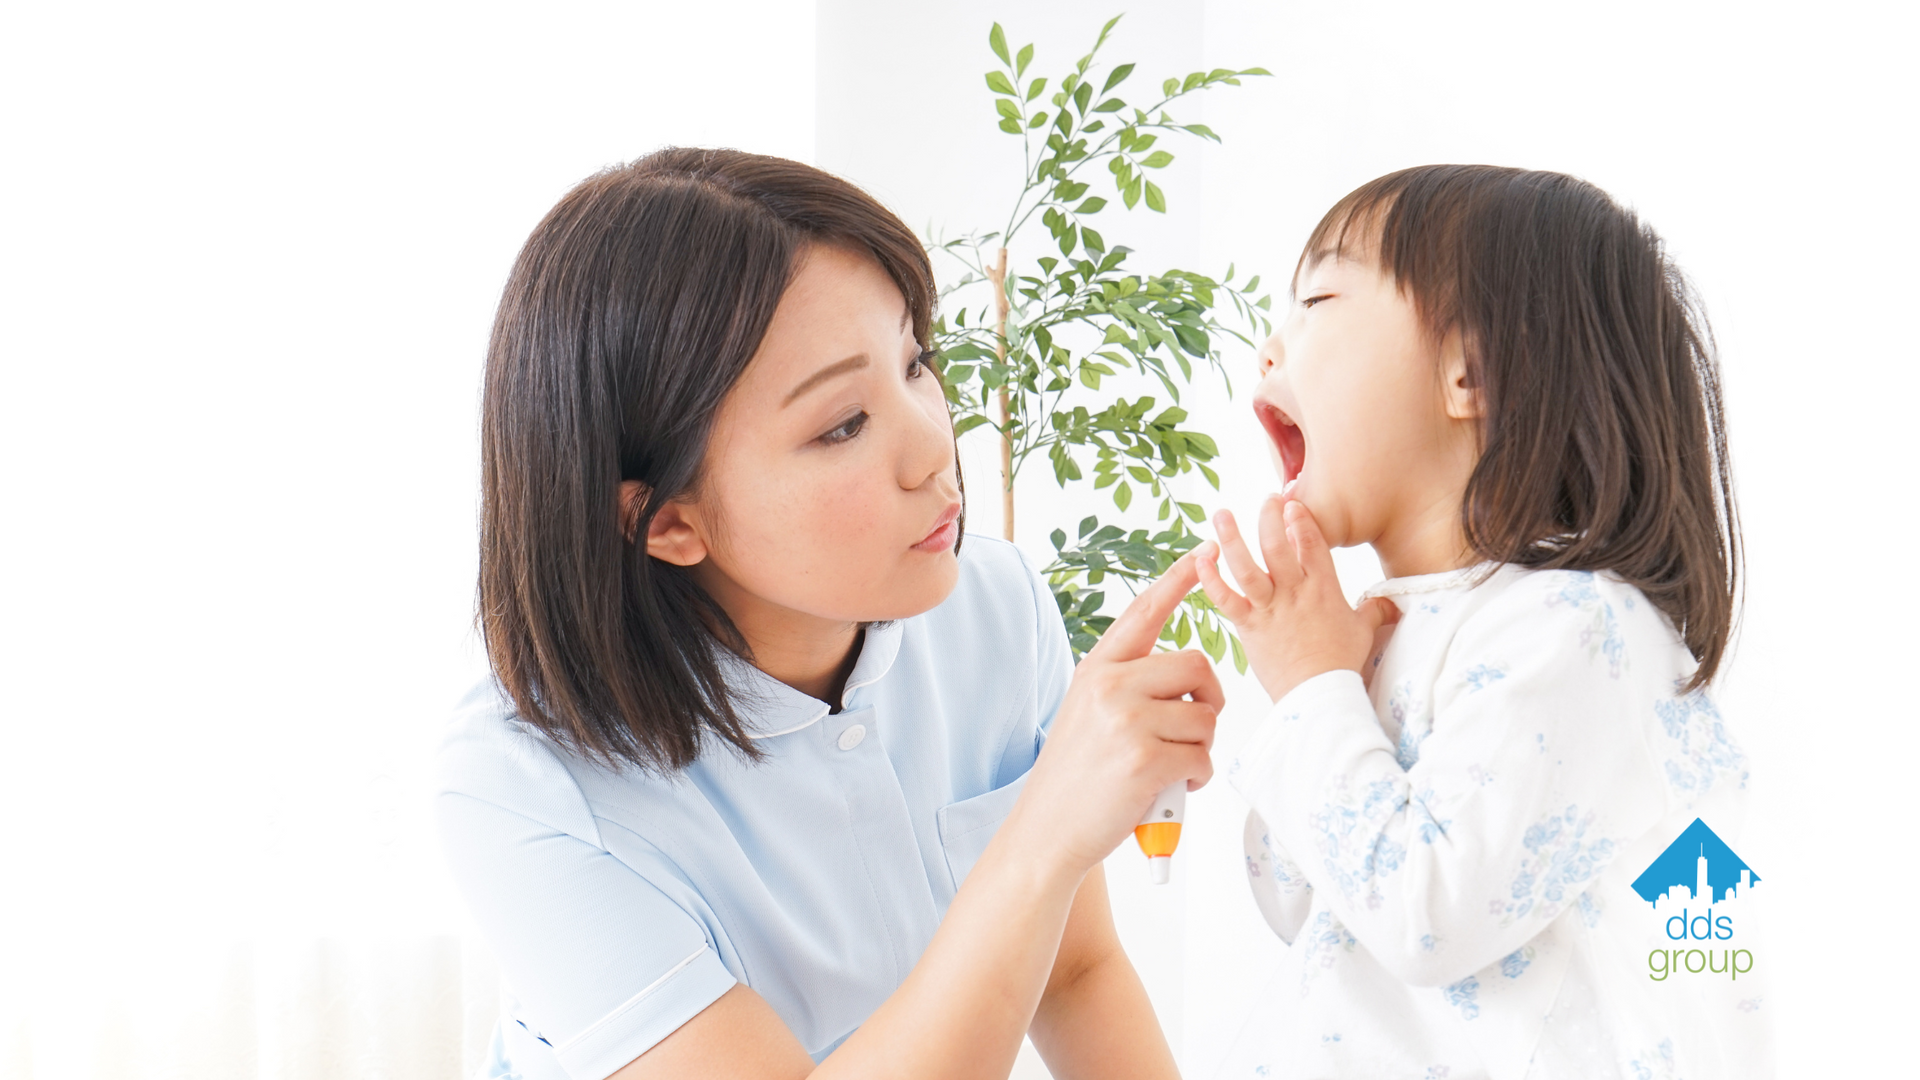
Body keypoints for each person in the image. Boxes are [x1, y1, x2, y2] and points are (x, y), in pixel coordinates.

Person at [435, 147, 1222, 1080]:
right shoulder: (524, 784)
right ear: (667, 521)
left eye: (916, 362)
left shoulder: (995, 609)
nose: (937, 448)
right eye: (842, 424)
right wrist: (1045, 833)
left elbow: (1079, 972)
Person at [1192, 165, 1768, 1078]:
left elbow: (1424, 916)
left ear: (1471, 368)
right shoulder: (1389, 636)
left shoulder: (1578, 631)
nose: (1270, 349)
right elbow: (1302, 903)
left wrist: (1314, 691)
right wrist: (1322, 688)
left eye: (1320, 299)